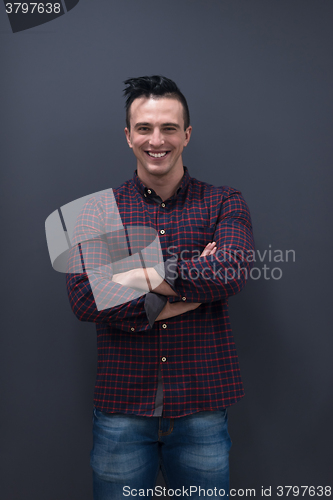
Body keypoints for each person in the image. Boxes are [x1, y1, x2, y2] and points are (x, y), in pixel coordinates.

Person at [66, 75, 255, 499]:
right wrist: (185, 293)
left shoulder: (225, 201)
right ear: (128, 135)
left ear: (186, 135)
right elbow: (84, 297)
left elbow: (231, 271)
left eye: (169, 128)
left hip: (202, 404)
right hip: (122, 409)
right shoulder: (97, 211)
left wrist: (134, 275)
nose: (157, 139)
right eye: (145, 128)